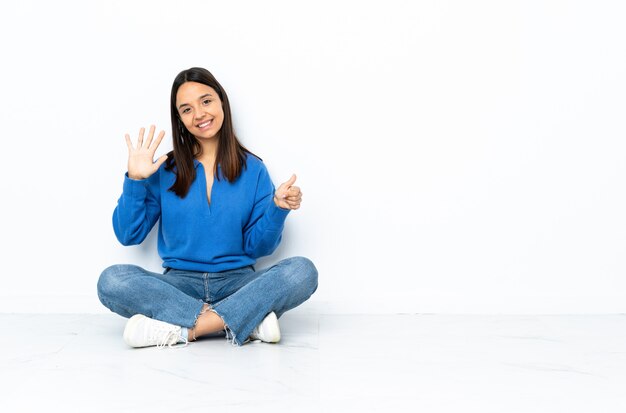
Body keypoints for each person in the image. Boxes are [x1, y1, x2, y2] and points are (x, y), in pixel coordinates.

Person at [97, 67, 318, 348]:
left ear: (221, 102)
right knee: (113, 281)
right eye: (186, 109)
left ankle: (182, 330)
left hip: (238, 284)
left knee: (301, 271)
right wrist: (136, 181)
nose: (199, 114)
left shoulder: (253, 169)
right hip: (179, 286)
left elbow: (257, 249)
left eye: (206, 101)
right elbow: (129, 235)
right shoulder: (165, 168)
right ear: (179, 119)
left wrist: (277, 208)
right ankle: (244, 321)